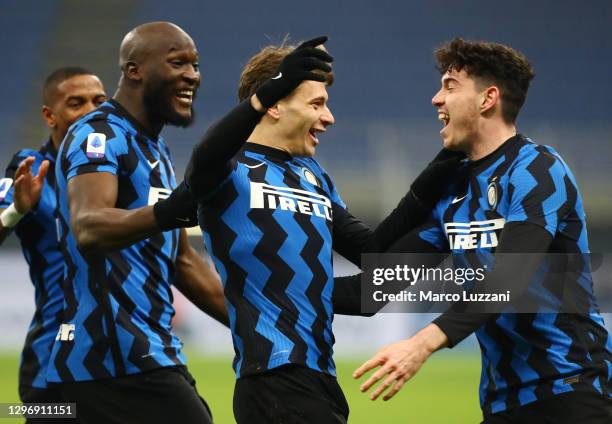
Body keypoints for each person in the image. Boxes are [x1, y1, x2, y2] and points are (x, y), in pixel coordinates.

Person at [185, 36, 464, 423]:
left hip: (320, 383)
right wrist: (263, 93)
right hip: (272, 380)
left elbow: (376, 261)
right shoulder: (229, 172)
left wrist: (444, 209)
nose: (329, 117)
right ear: (275, 105)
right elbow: (203, 160)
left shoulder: (312, 176)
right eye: (317, 104)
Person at [350, 38, 612, 423]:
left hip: (571, 391)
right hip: (501, 403)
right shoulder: (454, 192)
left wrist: (421, 344)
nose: (436, 99)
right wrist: (269, 292)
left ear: (488, 99)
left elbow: (509, 278)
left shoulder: (538, 171)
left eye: (450, 86)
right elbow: (375, 287)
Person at [48, 22, 228, 424]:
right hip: (114, 355)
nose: (192, 76)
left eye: (195, 66)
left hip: (128, 356)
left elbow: (182, 260)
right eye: (178, 62)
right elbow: (89, 227)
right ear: (134, 70)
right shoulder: (98, 133)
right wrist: (169, 211)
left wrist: (257, 322)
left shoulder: (156, 149)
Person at [0, 67, 106, 422]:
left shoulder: (120, 168)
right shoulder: (30, 169)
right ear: (50, 115)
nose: (90, 111)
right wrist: (16, 209)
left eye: (99, 101)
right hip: (52, 362)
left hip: (120, 356)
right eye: (76, 103)